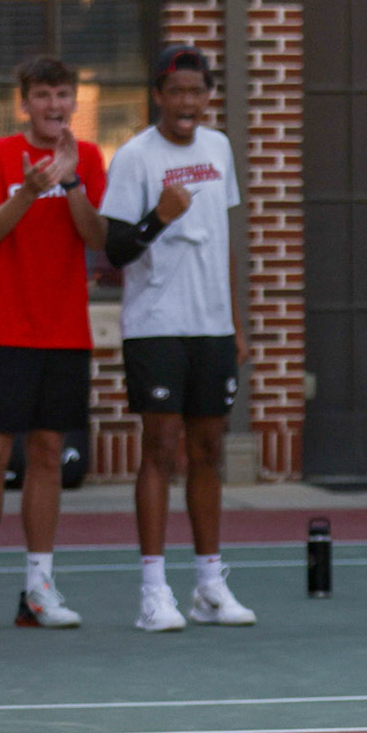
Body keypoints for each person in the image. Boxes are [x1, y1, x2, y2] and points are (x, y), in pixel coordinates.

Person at [99, 45, 256, 631]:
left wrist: (236, 324)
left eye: (197, 91)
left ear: (206, 97)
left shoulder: (218, 148)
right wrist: (158, 218)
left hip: (211, 327)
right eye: (177, 91)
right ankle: (152, 590)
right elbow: (115, 250)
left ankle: (210, 585)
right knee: (160, 451)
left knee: (209, 451)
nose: (187, 102)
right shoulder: (136, 157)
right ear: (158, 97)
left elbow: (224, 241)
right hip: (157, 326)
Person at [0, 56, 108, 628]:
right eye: (42, 96)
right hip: (2, 326)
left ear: (73, 102)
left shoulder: (86, 157)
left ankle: (37, 589)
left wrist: (72, 184)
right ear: (25, 103)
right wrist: (28, 193)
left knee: (46, 454)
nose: (54, 105)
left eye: (63, 95)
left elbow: (96, 237)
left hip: (64, 329)